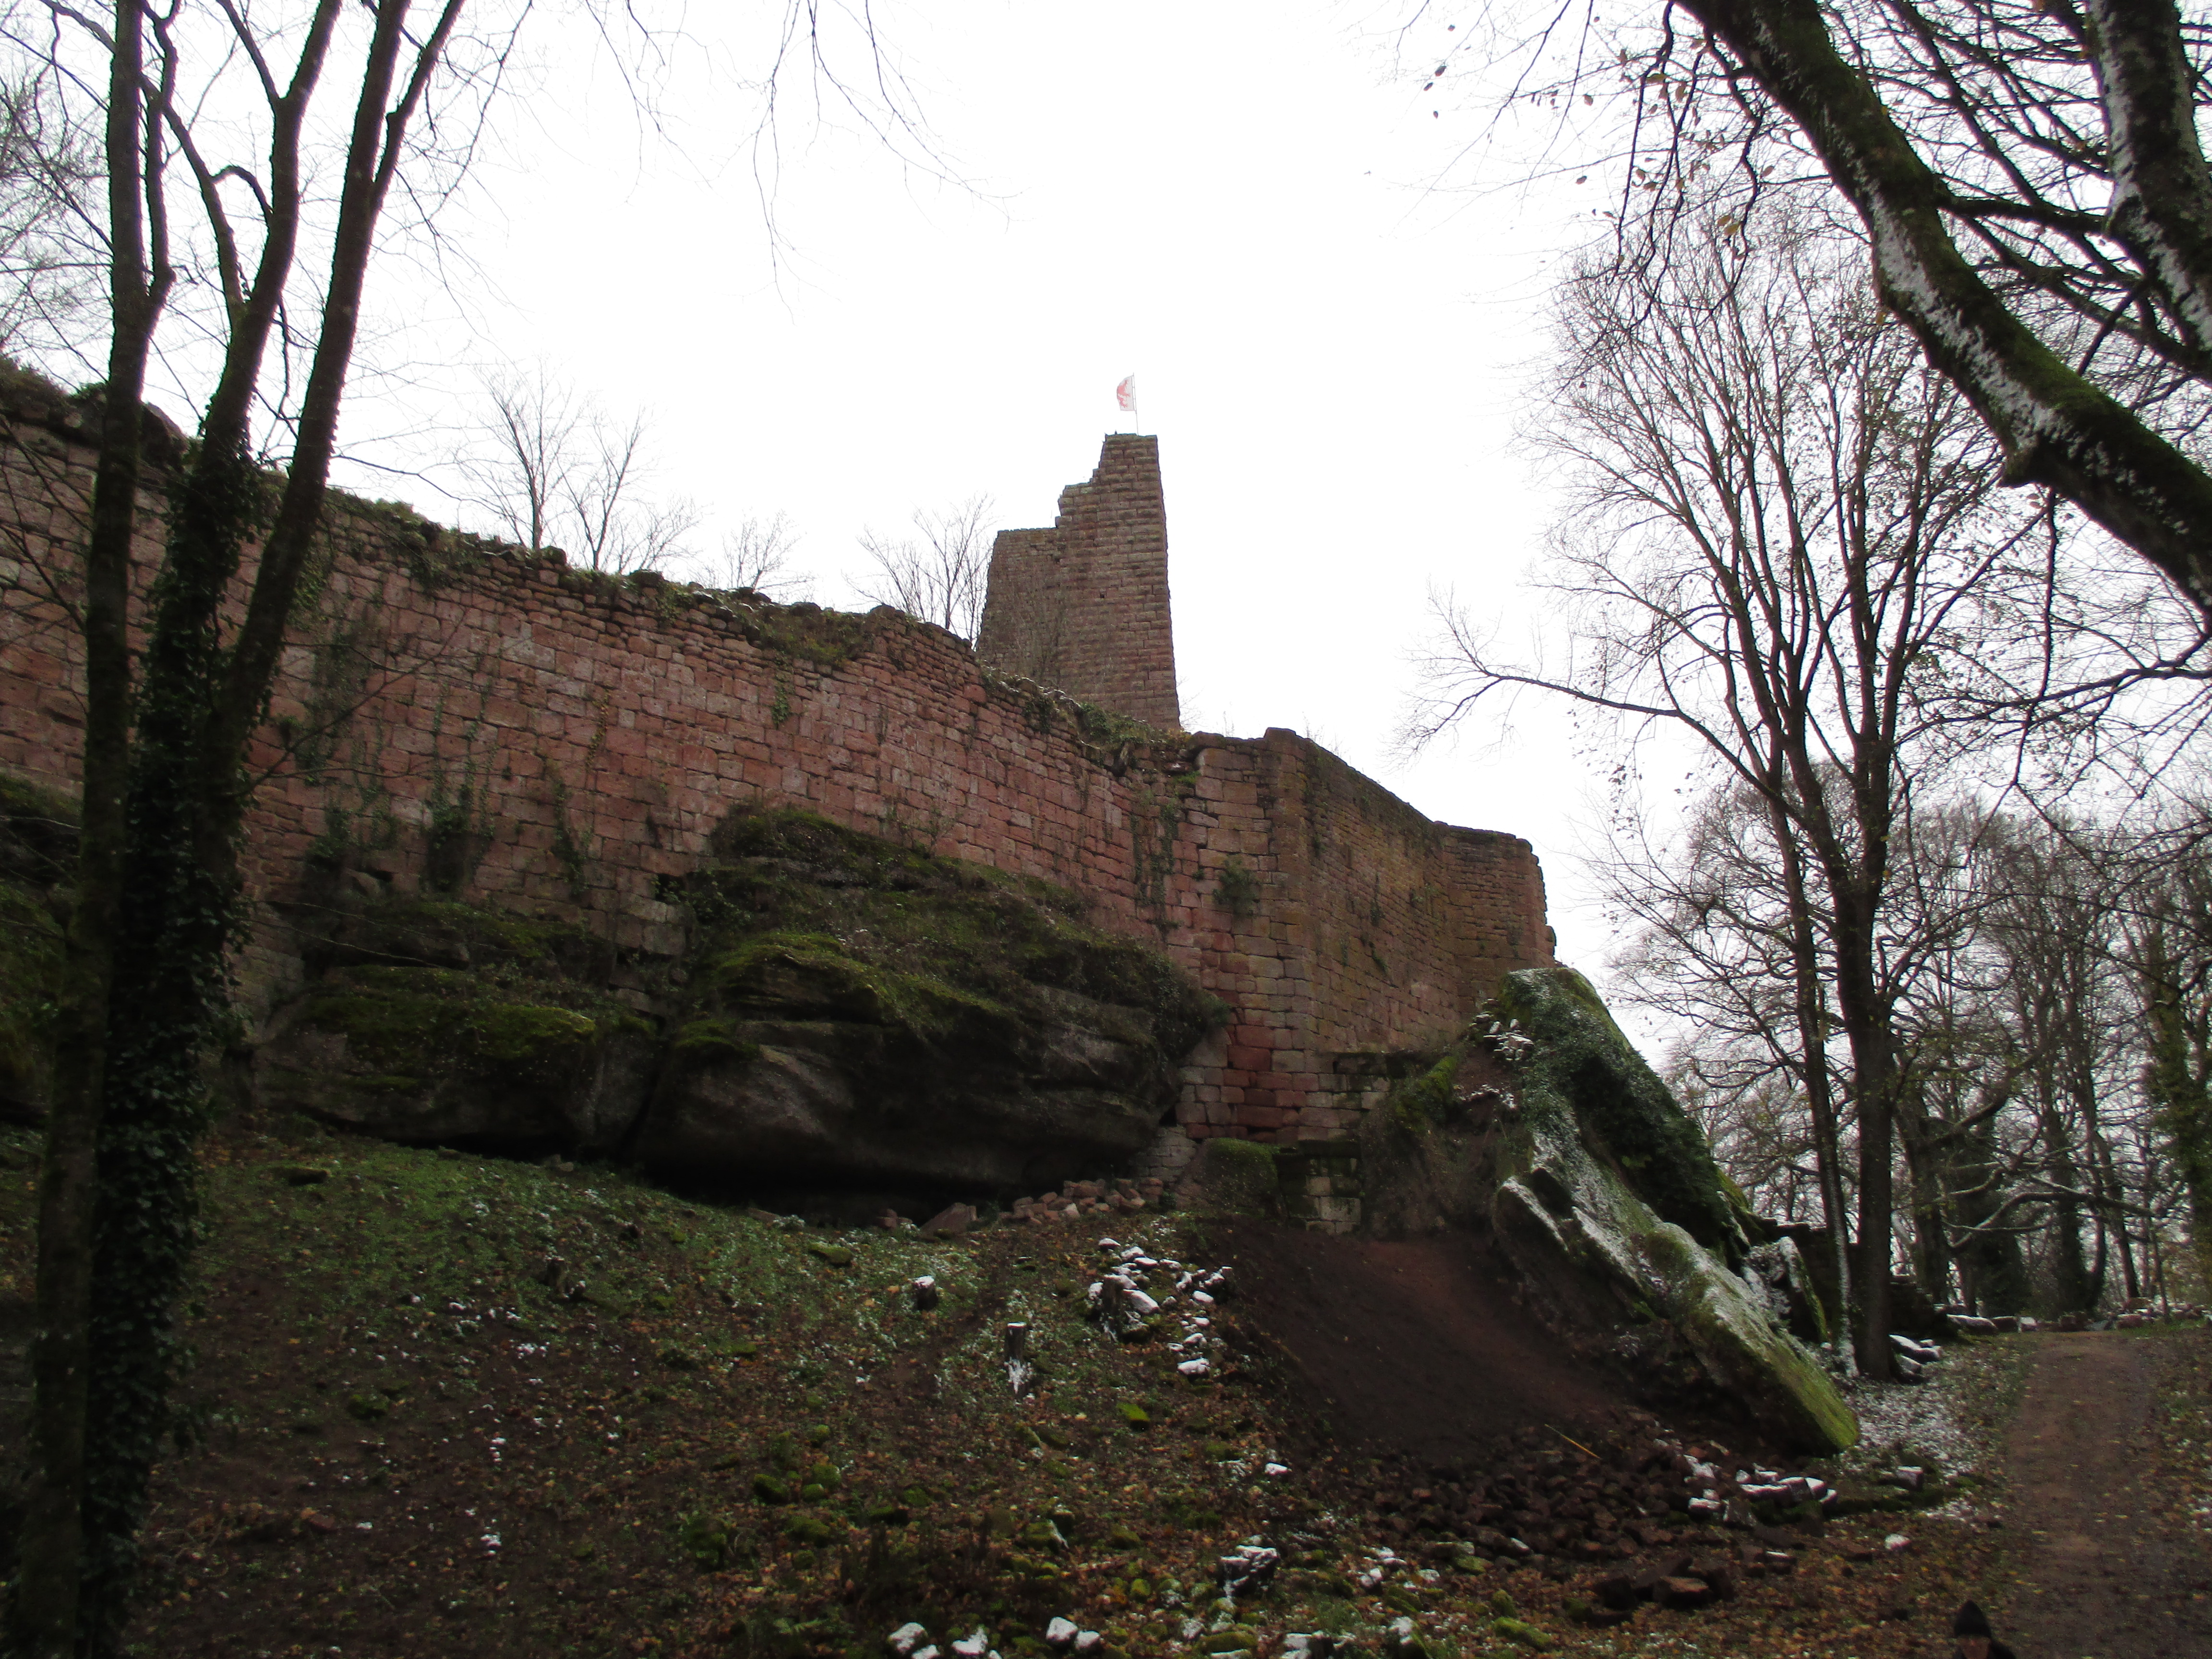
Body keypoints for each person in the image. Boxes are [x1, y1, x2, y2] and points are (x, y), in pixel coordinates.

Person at [1952, 1600, 2017, 1659]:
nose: (1972, 1644)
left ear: (1988, 1641)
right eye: (1965, 1638)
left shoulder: (2005, 1656)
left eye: (1977, 1637)